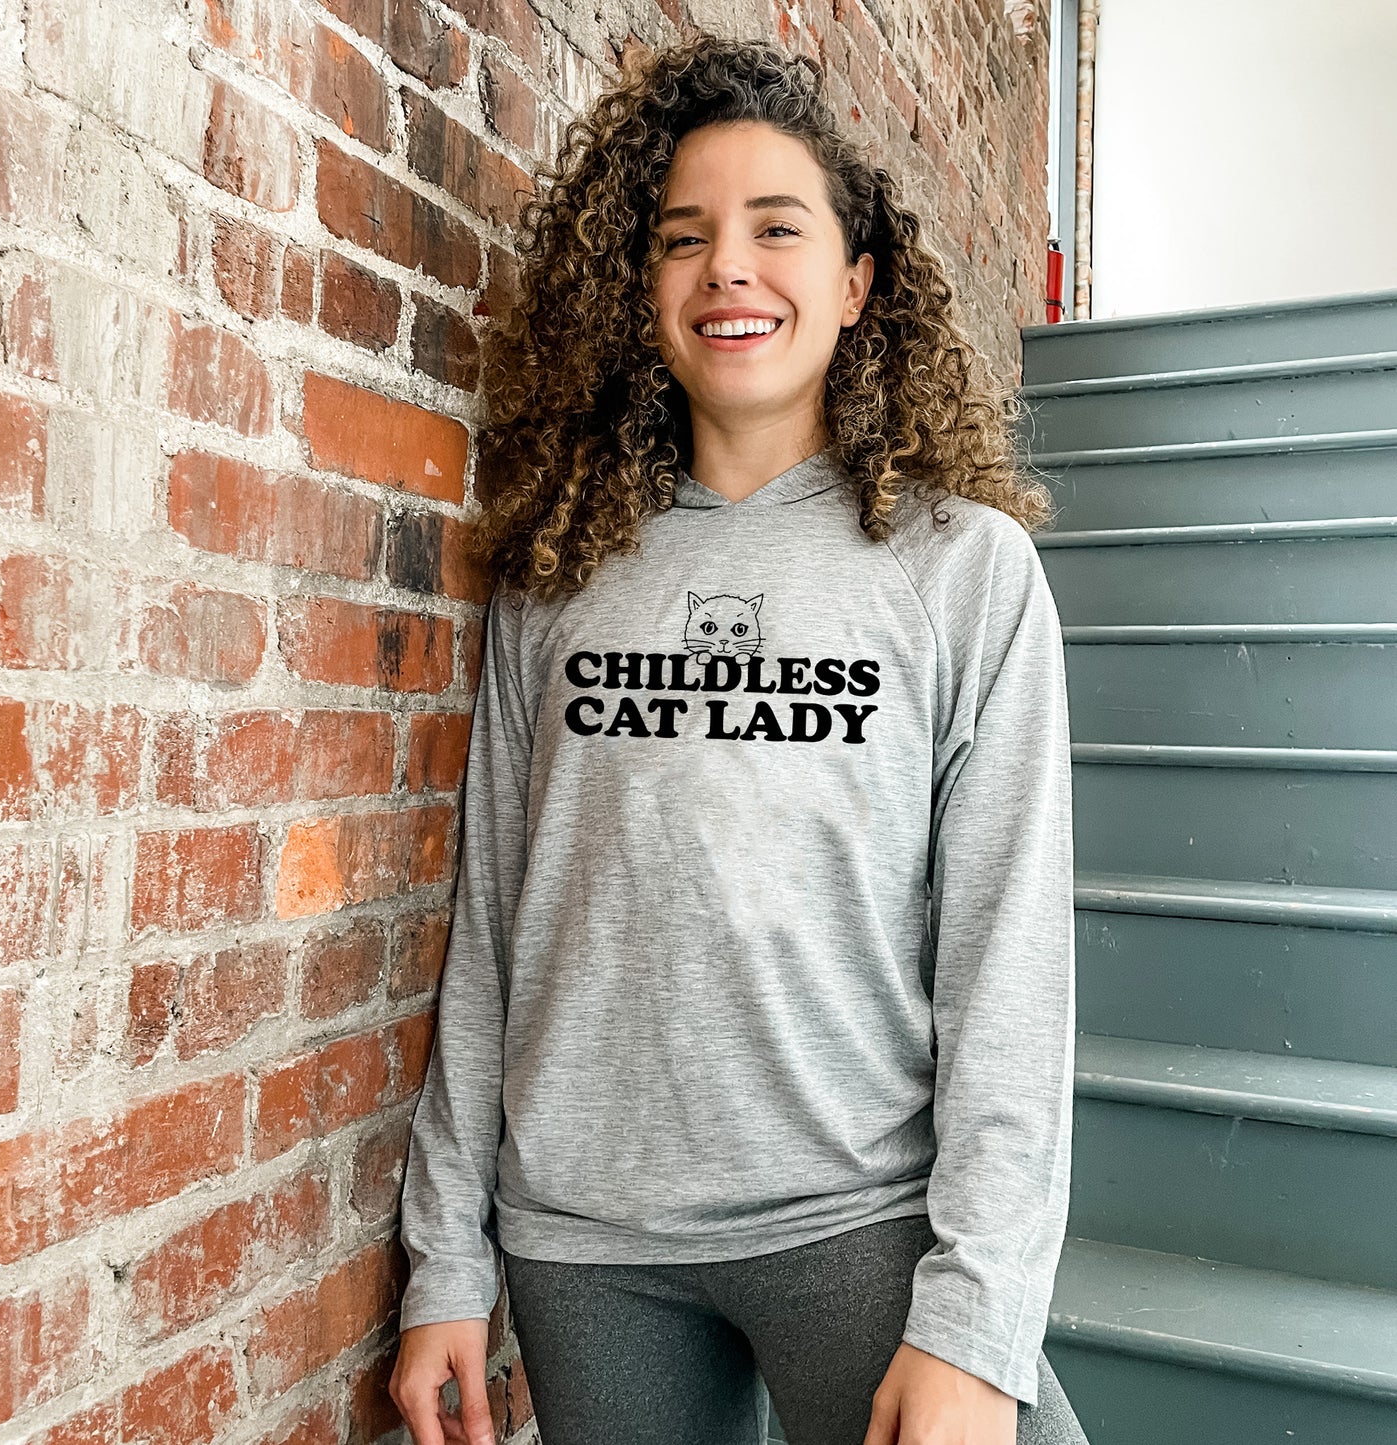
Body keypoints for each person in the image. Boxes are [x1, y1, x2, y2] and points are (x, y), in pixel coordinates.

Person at [389, 30, 1088, 1445]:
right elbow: (495, 926)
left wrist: (976, 1310)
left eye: (777, 228)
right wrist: (445, 1259)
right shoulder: (558, 572)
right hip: (589, 1244)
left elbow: (1010, 958)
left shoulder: (962, 569)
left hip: (859, 1218)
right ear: (640, 288)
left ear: (854, 282)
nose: (728, 269)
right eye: (682, 237)